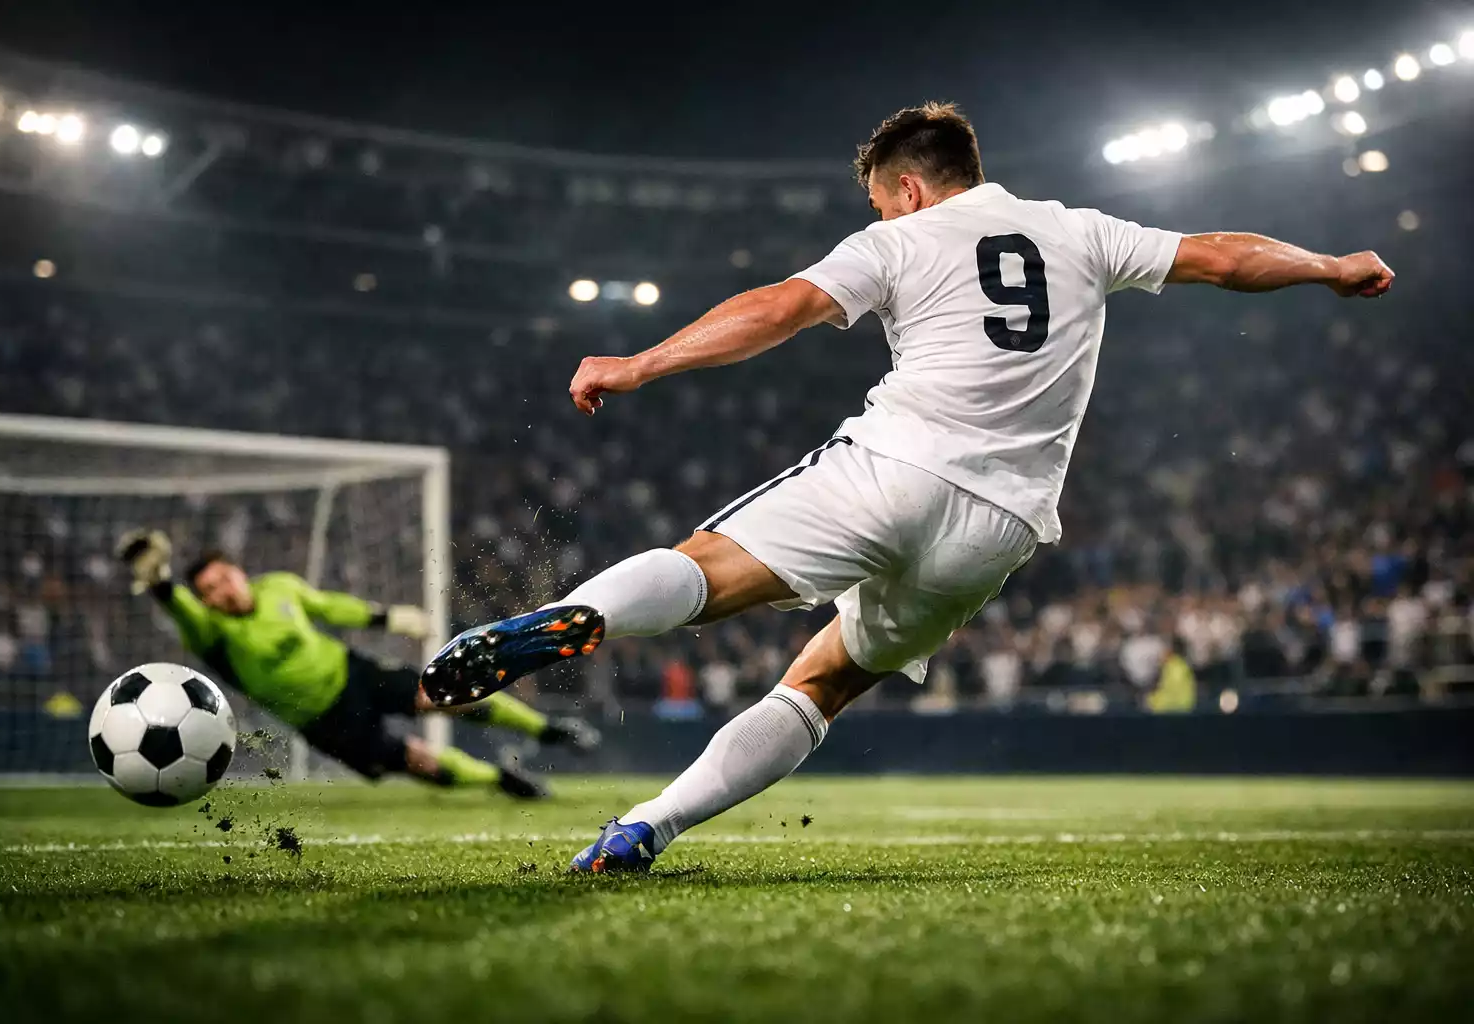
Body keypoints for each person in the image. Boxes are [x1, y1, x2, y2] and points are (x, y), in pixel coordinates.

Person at [419, 102, 1395, 870]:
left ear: (913, 191)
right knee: (824, 682)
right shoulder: (1083, 231)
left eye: (882, 202)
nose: (880, 218)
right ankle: (646, 826)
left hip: (892, 468)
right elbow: (1225, 255)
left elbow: (784, 305)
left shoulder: (900, 241)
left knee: (703, 571)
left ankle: (577, 617)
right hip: (1003, 525)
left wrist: (641, 363)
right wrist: (1332, 265)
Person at [116, 529, 598, 799]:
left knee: (449, 694)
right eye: (210, 591)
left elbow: (328, 606)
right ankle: (502, 780)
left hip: (354, 675)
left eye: (224, 577)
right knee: (417, 763)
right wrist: (158, 580)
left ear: (239, 572)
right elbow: (177, 603)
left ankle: (549, 729)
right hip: (323, 721)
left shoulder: (278, 587)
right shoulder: (209, 631)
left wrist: (390, 617)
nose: (222, 590)